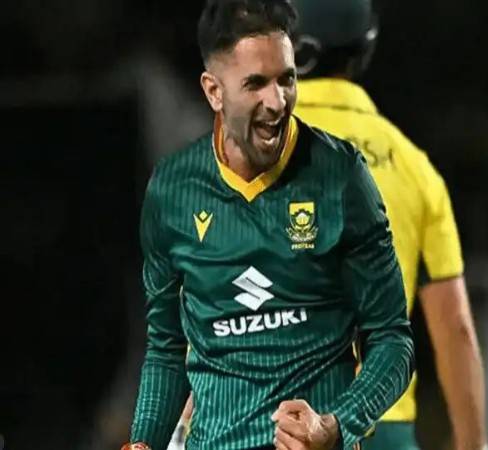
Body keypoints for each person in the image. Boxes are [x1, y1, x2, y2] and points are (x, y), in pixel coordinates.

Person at [122, 1, 415, 449]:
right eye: (256, 83)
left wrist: (337, 425)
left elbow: (393, 340)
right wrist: (143, 442)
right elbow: (166, 348)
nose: (277, 102)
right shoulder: (173, 190)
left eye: (286, 79)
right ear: (214, 91)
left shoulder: (340, 176)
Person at [291, 1, 488, 450]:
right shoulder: (414, 167)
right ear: (366, 48)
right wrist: (474, 442)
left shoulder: (246, 153)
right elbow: (455, 325)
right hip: (382, 426)